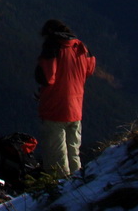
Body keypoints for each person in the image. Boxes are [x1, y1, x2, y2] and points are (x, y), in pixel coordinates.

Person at [34, 19, 96, 177]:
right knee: (73, 152)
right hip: (76, 109)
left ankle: (57, 190)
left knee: (56, 156)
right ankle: (76, 187)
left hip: (55, 109)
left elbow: (47, 77)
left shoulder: (53, 47)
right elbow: (89, 69)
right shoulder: (81, 47)